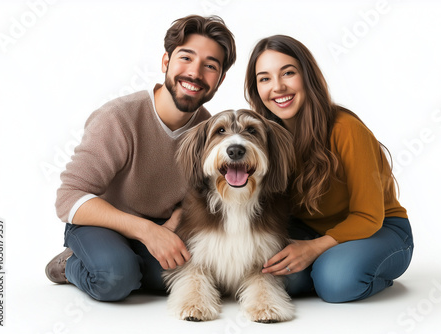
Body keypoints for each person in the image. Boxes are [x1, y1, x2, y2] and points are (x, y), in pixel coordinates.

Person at [45, 15, 236, 301]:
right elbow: (69, 196)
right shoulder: (119, 118)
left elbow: (205, 191)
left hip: (162, 228)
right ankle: (71, 263)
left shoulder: (211, 132)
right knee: (114, 279)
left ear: (219, 80)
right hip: (101, 223)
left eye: (210, 66)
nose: (195, 73)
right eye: (186, 58)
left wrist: (175, 220)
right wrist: (146, 231)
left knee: (198, 275)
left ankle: (128, 261)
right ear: (165, 62)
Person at [245, 35, 413, 303]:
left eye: (288, 73)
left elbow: (369, 216)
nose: (277, 87)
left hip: (380, 228)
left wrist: (313, 249)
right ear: (256, 88)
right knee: (268, 272)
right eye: (264, 78)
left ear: (307, 76)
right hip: (311, 231)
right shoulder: (263, 138)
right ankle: (322, 269)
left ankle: (355, 271)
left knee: (336, 283)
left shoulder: (345, 129)